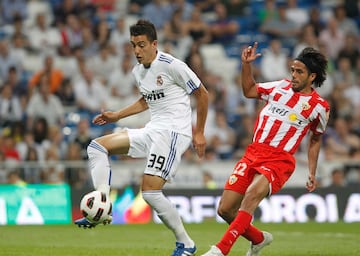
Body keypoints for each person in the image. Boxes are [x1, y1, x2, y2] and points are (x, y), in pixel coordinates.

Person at [75, 20, 209, 256]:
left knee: (149, 192)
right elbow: (147, 100)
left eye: (141, 45)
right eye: (133, 45)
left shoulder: (172, 65)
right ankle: (102, 204)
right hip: (153, 129)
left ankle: (186, 243)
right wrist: (117, 115)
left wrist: (199, 132)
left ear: (154, 44)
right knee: (97, 147)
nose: (136, 51)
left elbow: (202, 93)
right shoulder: (138, 71)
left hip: (173, 133)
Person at [201, 43, 329, 256]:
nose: (294, 75)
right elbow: (249, 90)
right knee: (225, 210)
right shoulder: (280, 87)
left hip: (279, 160)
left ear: (312, 76)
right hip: (253, 153)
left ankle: (219, 251)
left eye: (300, 72)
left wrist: (312, 172)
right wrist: (246, 65)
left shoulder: (319, 107)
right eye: (293, 70)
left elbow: (315, 139)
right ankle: (259, 239)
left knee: (251, 196)